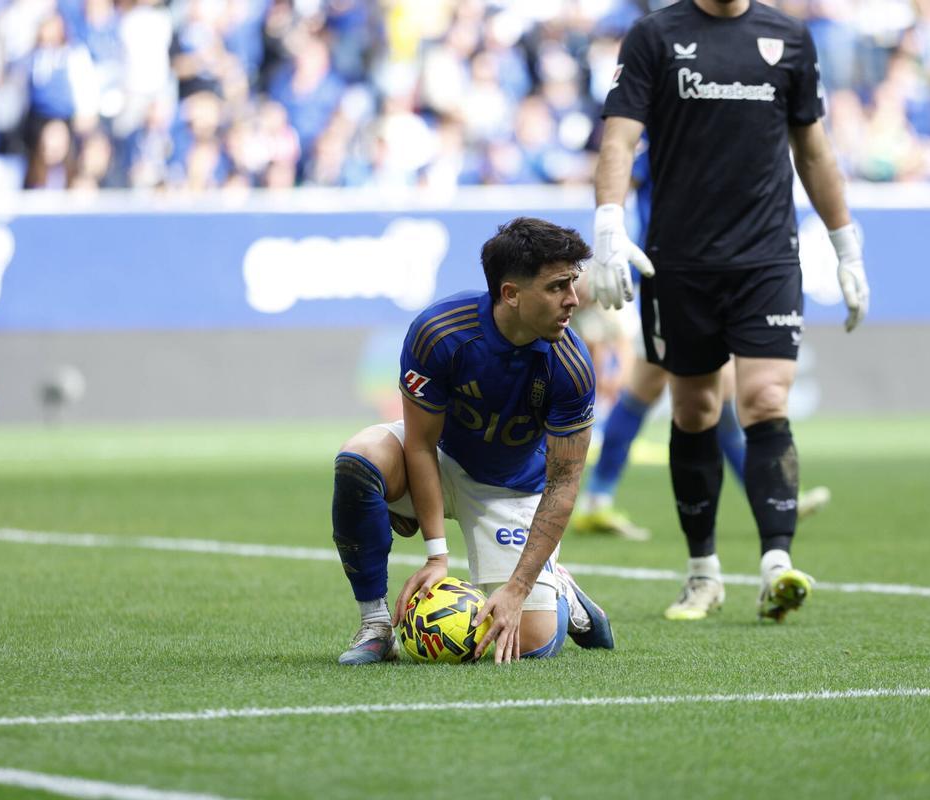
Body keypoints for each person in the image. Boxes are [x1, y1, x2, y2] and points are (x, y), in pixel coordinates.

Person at [590, 0, 869, 622]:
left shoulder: (789, 39)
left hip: (766, 258)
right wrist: (608, 222)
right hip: (679, 261)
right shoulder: (655, 36)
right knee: (695, 409)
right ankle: (703, 572)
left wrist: (846, 245)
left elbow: (814, 152)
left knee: (766, 400)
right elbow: (618, 139)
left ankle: (776, 564)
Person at [331, 217, 615, 665]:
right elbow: (420, 446)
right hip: (443, 458)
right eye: (558, 286)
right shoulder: (440, 332)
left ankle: (561, 588)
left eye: (573, 283)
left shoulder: (571, 365)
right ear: (511, 294)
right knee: (359, 459)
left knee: (529, 646)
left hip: (514, 488)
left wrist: (519, 587)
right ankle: (376, 625)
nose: (573, 300)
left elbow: (563, 484)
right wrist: (436, 556)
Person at [575, 144, 830, 542]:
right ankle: (772, 497)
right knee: (703, 391)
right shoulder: (664, 142)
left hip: (680, 279)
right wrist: (609, 246)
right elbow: (616, 173)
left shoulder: (683, 143)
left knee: (661, 390)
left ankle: (597, 498)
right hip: (670, 280)